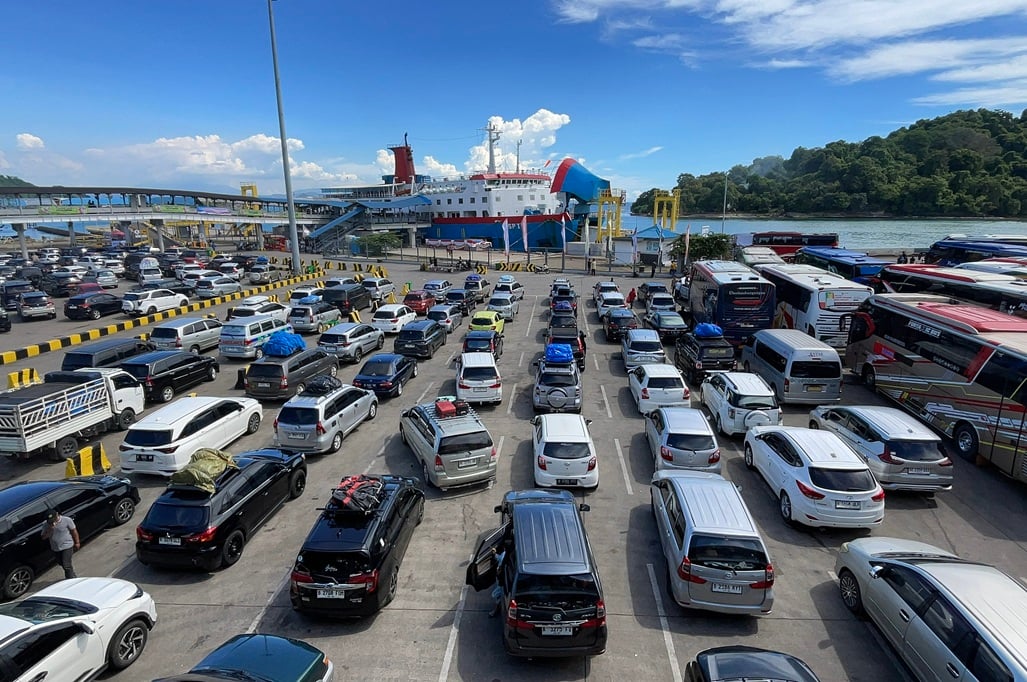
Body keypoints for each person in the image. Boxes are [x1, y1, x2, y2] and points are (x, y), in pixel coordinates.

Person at [41, 510, 79, 579]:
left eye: (53, 519)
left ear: (57, 515)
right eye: (50, 520)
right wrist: (50, 529)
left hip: (67, 545)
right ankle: (71, 573)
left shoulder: (67, 520)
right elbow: (43, 537)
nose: (52, 521)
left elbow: (74, 531)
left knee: (66, 565)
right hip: (56, 548)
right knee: (61, 563)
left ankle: (71, 578)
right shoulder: (46, 525)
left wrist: (77, 542)